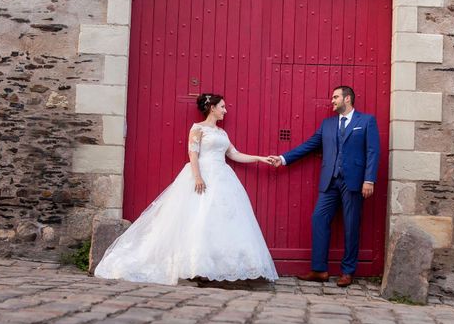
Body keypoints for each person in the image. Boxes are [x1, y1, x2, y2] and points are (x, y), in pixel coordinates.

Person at [94, 93, 278, 285]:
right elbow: (193, 153)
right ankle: (193, 266)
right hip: (202, 175)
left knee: (219, 219)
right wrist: (198, 177)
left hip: (222, 176)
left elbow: (234, 154)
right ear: (212, 108)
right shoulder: (197, 129)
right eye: (222, 107)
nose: (225, 110)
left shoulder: (222, 133)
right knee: (197, 217)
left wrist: (260, 158)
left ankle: (215, 267)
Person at [269, 86, 380, 287]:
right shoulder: (327, 124)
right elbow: (310, 145)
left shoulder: (366, 121)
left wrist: (369, 179)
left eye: (336, 97)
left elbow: (373, 151)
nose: (332, 101)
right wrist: (284, 158)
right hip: (330, 180)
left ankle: (347, 271)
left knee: (351, 225)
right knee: (319, 219)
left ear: (347, 98)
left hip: (354, 181)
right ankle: (319, 270)